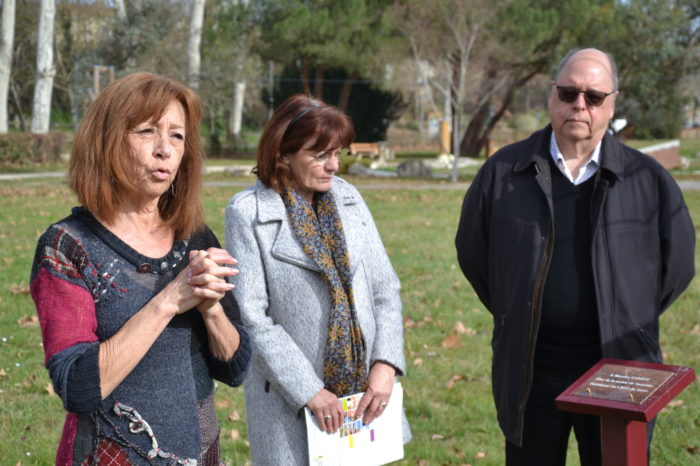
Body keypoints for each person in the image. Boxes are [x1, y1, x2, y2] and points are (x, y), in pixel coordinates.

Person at [455, 48, 695, 465]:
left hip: (619, 369)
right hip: (531, 371)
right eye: (568, 93)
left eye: (594, 97)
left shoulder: (648, 179)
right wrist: (517, 308)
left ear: (613, 103)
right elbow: (474, 254)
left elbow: (677, 266)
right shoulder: (502, 173)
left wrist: (628, 315)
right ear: (552, 95)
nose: (579, 105)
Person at [30, 72, 251, 465]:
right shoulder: (67, 247)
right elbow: (78, 386)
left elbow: (234, 368)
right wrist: (169, 301)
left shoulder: (194, 237)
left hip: (200, 453)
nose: (164, 149)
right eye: (147, 131)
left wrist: (211, 308)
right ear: (108, 140)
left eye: (177, 136)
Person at [225, 94, 410, 464]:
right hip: (290, 405)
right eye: (321, 155)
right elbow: (252, 317)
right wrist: (309, 390)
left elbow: (385, 290)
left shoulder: (349, 199)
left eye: (338, 153)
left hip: (364, 403)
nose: (334, 166)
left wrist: (386, 365)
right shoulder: (247, 213)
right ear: (282, 154)